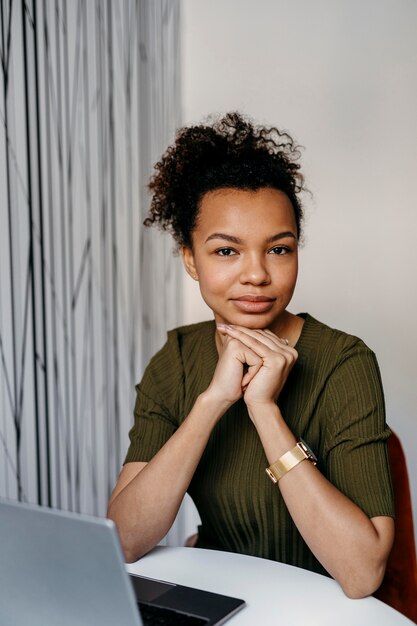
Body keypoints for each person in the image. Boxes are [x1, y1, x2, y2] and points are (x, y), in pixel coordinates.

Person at [107, 112, 394, 599]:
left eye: (278, 249)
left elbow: (361, 574)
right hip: (220, 594)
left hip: (318, 604)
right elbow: (125, 542)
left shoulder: (345, 362)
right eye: (226, 252)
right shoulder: (177, 359)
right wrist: (212, 401)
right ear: (190, 259)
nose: (257, 275)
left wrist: (264, 410)